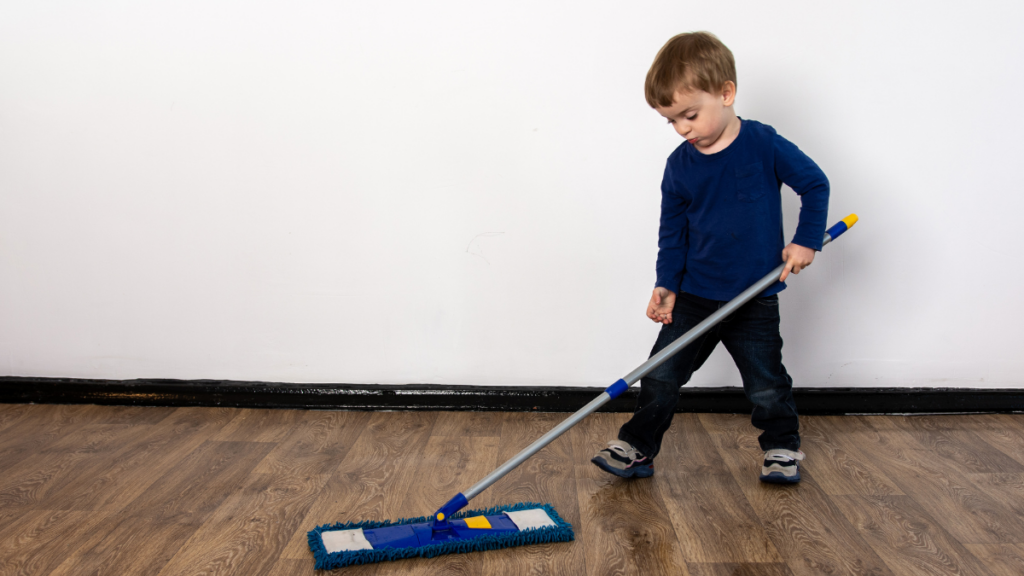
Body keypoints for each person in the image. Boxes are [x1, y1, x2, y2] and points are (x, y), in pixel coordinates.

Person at [591, 31, 829, 484]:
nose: (683, 128)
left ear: (726, 93)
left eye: (690, 115)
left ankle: (781, 447)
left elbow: (815, 184)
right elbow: (673, 232)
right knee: (659, 375)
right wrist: (667, 284)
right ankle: (637, 447)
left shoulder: (763, 144)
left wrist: (806, 240)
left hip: (754, 295)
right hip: (696, 293)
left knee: (765, 382)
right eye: (672, 121)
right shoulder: (680, 165)